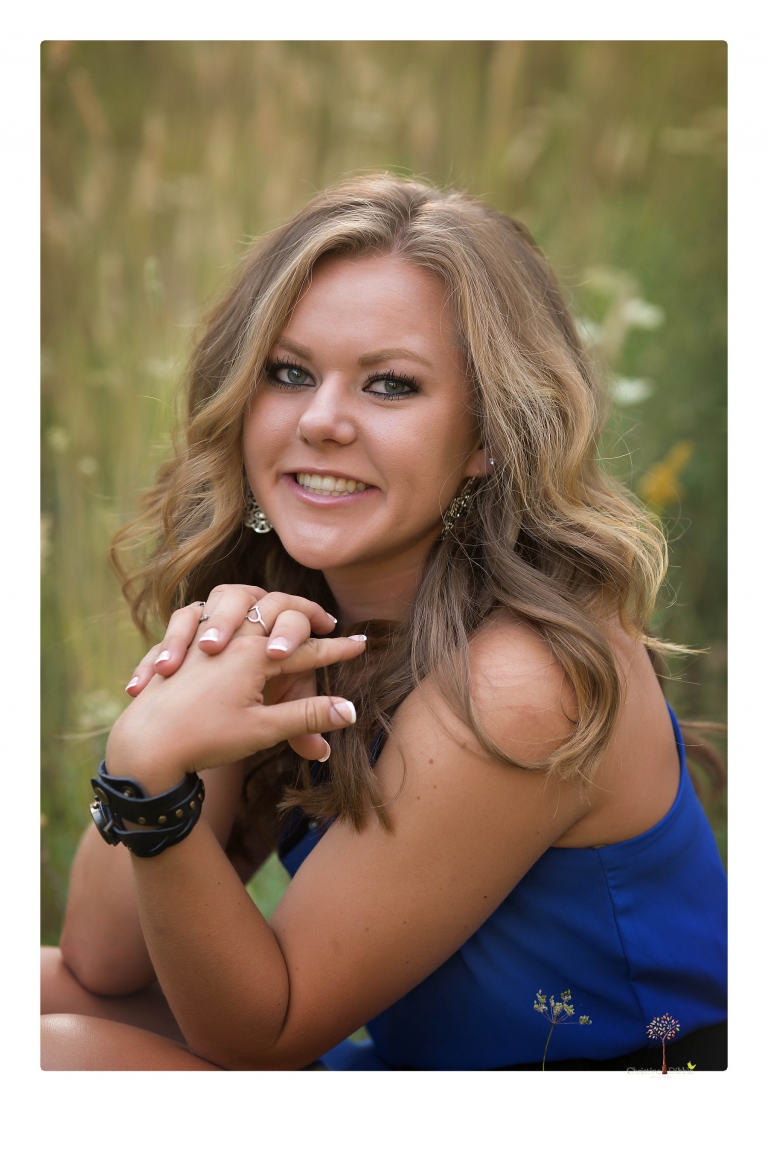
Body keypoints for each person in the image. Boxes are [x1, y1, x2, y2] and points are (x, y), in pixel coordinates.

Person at [41, 175, 727, 1071]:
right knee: (41, 988)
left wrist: (149, 774)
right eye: (288, 373)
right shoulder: (302, 616)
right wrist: (204, 699)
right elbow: (102, 961)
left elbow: (263, 1033)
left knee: (58, 1057)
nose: (321, 421)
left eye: (390, 385)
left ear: (489, 436)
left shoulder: (520, 681)